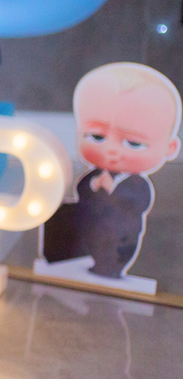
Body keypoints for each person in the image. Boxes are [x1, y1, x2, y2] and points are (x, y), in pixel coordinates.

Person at [42, 62, 182, 279]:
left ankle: (111, 268)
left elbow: (138, 204)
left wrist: (114, 191)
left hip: (120, 236)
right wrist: (92, 185)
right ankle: (79, 259)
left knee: (113, 244)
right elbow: (82, 190)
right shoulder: (94, 174)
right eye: (97, 137)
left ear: (170, 148)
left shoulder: (138, 184)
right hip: (90, 227)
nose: (110, 150)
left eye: (133, 143)